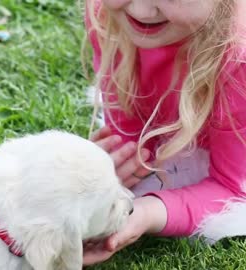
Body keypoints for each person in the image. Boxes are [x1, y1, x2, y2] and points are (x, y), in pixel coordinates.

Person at [81, 0, 246, 265]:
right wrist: (116, 161)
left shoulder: (239, 59)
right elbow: (131, 132)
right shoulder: (107, 14)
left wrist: (145, 212)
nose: (142, 11)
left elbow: (234, 188)